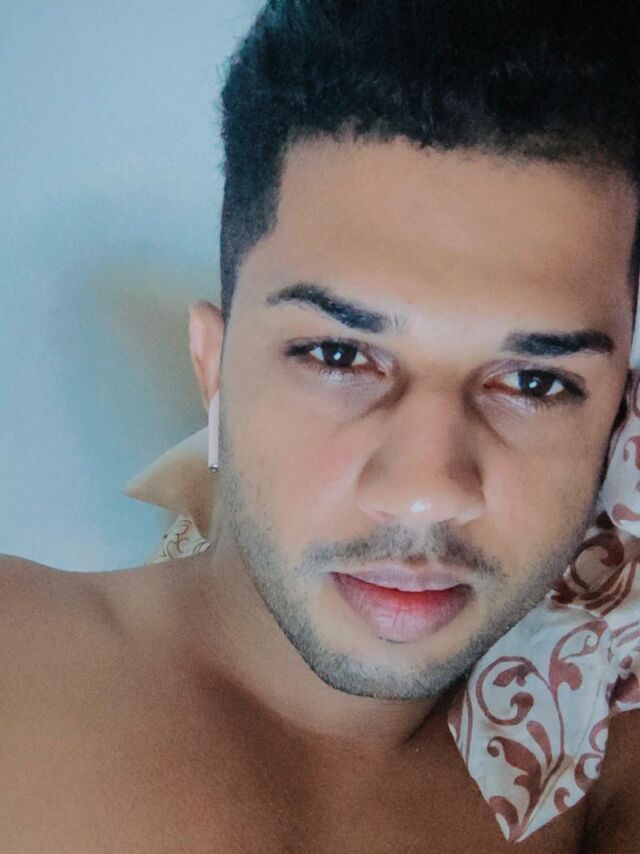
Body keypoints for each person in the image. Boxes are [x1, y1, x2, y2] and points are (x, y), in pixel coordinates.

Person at [3, 0, 640, 850]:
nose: (424, 493)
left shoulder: (596, 772)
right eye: (338, 356)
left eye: (535, 381)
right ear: (213, 368)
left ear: (619, 417)